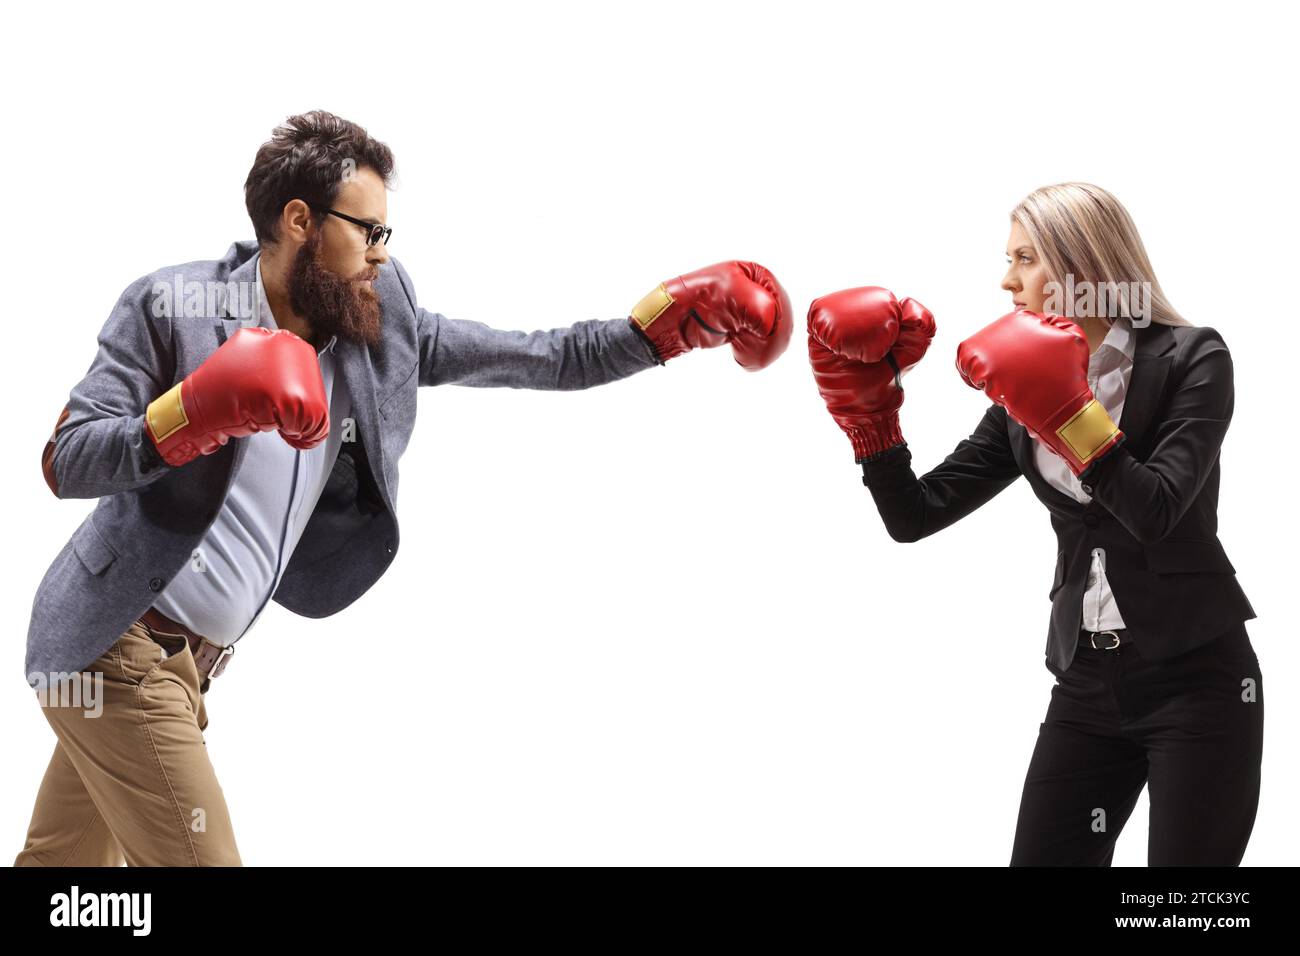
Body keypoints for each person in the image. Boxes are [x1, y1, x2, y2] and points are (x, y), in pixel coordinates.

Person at [17, 110, 792, 866]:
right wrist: (196, 410)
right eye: (369, 231)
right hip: (114, 651)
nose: (383, 255)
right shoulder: (172, 307)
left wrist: (657, 329)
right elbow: (70, 459)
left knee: (60, 873)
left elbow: (537, 356)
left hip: (190, 668)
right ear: (300, 221)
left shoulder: (376, 318)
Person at [806, 182, 1262, 866]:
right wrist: (871, 420)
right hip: (1087, 682)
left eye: (1025, 258)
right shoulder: (1020, 390)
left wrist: (1069, 412)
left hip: (1198, 680)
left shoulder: (1191, 358)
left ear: (1081, 264)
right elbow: (917, 514)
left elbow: (1158, 511)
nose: (1006, 279)